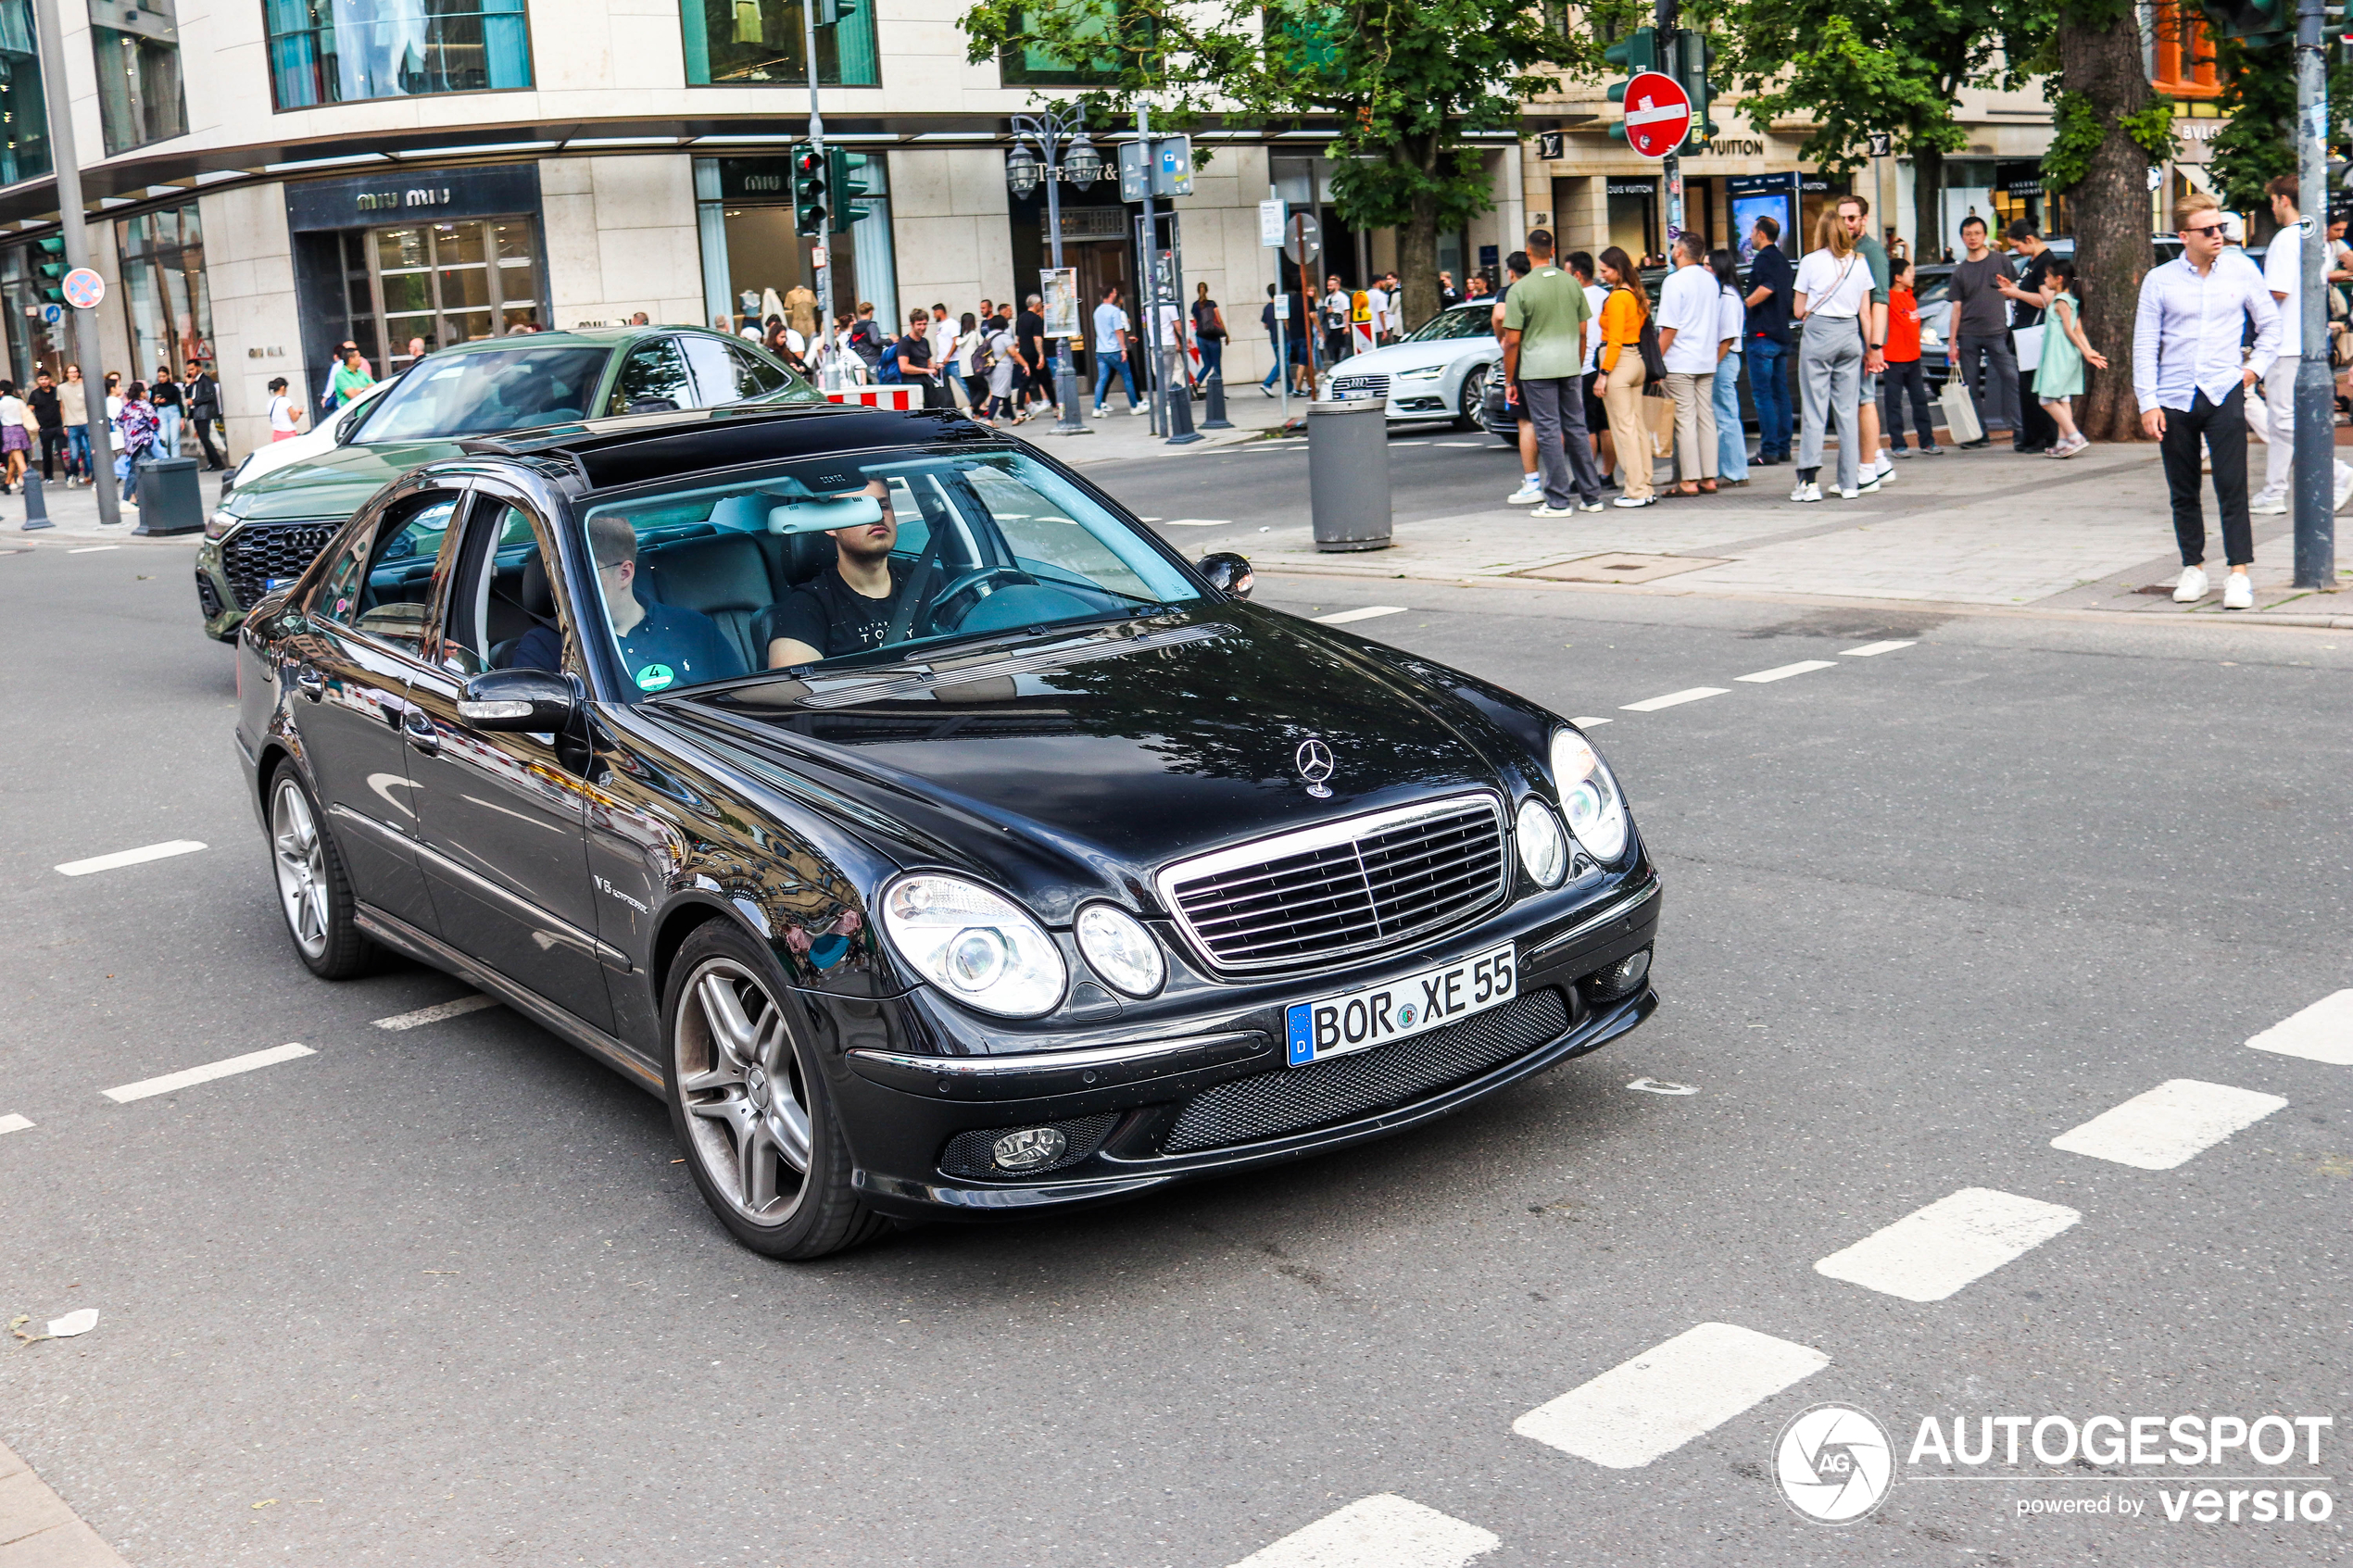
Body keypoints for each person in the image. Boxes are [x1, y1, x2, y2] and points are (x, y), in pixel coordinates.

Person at [2135, 193, 2279, 609]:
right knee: (2183, 488)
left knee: (2232, 485)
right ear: (2185, 236)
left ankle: (2239, 574)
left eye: (2221, 228)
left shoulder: (2240, 270)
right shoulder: (2159, 280)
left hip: (2224, 389)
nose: (2218, 235)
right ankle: (2193, 568)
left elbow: (2270, 324)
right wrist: (2148, 402)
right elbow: (2144, 346)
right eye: (2208, 230)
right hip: (2174, 395)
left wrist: (2253, 370)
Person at [510, 514, 744, 686]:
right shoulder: (544, 646)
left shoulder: (693, 628)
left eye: (580, 574)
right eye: (560, 576)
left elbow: (738, 704)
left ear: (624, 573)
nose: (567, 587)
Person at [2253, 175, 2353, 514]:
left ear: (2284, 200)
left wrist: (2248, 303)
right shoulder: (2314, 240)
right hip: (2306, 340)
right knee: (2283, 421)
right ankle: (2274, 491)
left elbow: (2277, 291)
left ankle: (2336, 474)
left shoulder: (2285, 239)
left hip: (2285, 341)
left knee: (2282, 421)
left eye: (2273, 202)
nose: (2273, 208)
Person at [1502, 230, 1604, 518]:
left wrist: (1510, 379)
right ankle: (1591, 495)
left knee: (1547, 430)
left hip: (1537, 368)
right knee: (1577, 428)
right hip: (1570, 365)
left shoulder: (1520, 290)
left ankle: (1558, 499)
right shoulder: (1572, 285)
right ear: (1553, 249)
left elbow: (1511, 340)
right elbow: (1584, 331)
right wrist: (1578, 360)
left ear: (1528, 251)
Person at [760, 481, 912, 666]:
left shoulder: (931, 582)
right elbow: (794, 690)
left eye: (883, 506)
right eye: (860, 506)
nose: (877, 516)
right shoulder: (806, 607)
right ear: (831, 526)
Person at [1791, 207, 1871, 502]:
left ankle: (1809, 484)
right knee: (1848, 410)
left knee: (1814, 409)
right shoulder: (1860, 263)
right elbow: (1865, 311)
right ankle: (1849, 482)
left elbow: (1799, 310)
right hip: (1850, 336)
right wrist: (1873, 347)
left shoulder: (1810, 262)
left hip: (1820, 335)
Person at [1655, 231, 1723, 496]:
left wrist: (1656, 362)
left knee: (1685, 420)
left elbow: (1668, 329)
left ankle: (1689, 481)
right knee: (1706, 417)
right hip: (1706, 359)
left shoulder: (1674, 281)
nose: (1672, 251)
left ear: (1680, 252)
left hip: (1681, 360)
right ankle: (1709, 477)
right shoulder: (1711, 281)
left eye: (1673, 247)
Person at [1838, 195, 1896, 487]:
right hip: (1854, 338)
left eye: (1852, 218)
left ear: (1863, 219)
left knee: (1864, 401)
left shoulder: (1871, 252)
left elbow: (1880, 302)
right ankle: (1879, 463)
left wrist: (1875, 346)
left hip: (1864, 340)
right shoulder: (1850, 249)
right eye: (1842, 218)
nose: (1847, 223)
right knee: (1858, 401)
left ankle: (1867, 471)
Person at [1592, 246, 1656, 508]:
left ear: (1617, 270)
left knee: (1623, 430)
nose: (1602, 275)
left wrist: (1603, 374)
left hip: (1618, 362)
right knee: (1637, 428)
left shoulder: (1618, 298)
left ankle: (1636, 490)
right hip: (1636, 361)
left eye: (1605, 271)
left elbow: (1614, 339)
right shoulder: (1635, 293)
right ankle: (1645, 485)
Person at [1948, 216, 2019, 448]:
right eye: (1968, 234)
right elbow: (1956, 308)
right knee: (1970, 386)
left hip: (1998, 332)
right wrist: (1952, 343)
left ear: (1985, 235)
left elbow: (2015, 292)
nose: (1972, 238)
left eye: (1977, 233)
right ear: (1962, 237)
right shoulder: (1960, 272)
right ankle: (1977, 434)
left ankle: (2020, 429)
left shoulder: (2001, 260)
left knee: (2013, 379)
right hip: (1968, 334)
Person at [2032, 258, 2108, 458]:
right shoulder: (2070, 300)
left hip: (2059, 355)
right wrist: (2088, 351)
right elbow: (2079, 330)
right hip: (2066, 355)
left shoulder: (2061, 301)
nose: (2045, 280)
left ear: (2058, 279)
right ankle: (2063, 441)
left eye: (2047, 276)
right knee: (2063, 397)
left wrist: (2086, 352)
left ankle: (2074, 436)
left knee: (2046, 399)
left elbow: (2069, 330)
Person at [1994, 220, 2059, 454]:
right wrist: (2012, 288)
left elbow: (2046, 300)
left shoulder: (2045, 263)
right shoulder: (2032, 262)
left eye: (2017, 246)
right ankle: (2032, 436)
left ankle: (2043, 436)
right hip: (2025, 331)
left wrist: (2016, 293)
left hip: (2036, 331)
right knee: (2026, 386)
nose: (2016, 251)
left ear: (2029, 240)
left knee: (2034, 386)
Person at [1744, 215, 1794, 465]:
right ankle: (1784, 447)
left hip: (1762, 334)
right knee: (1780, 393)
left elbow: (1768, 287)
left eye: (1753, 231)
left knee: (1763, 395)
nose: (1750, 235)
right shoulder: (1783, 260)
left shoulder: (1763, 259)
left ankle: (1769, 450)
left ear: (1762, 234)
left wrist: (1746, 304)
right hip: (1782, 333)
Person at [1881, 258, 1939, 458]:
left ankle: (1927, 441)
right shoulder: (1888, 298)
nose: (1912, 274)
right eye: (1908, 272)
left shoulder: (1909, 295)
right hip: (1893, 359)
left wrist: (1906, 251)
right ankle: (1898, 444)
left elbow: (1910, 268)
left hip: (1913, 358)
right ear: (1898, 277)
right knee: (1894, 403)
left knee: (1920, 401)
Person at [1568, 250, 1616, 486]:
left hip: (1585, 367)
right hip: (1607, 364)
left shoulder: (1574, 298)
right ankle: (1607, 474)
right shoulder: (1606, 295)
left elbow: (1579, 334)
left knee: (1588, 426)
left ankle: (1585, 478)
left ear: (1577, 275)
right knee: (1606, 425)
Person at [1708, 248, 1749, 485]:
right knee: (1722, 415)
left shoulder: (1728, 297)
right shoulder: (1721, 294)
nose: (1704, 269)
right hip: (1722, 359)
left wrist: (1713, 363)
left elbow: (1728, 337)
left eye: (1707, 264)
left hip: (1724, 360)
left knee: (1726, 416)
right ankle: (1728, 468)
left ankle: (1735, 471)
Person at [1091, 283, 1139, 416]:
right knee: (1127, 377)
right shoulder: (1115, 311)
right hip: (1114, 350)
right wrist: (1123, 348)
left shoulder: (1097, 311)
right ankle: (1134, 406)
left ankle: (1097, 408)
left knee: (1102, 379)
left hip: (1101, 350)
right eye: (1115, 292)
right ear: (1111, 294)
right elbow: (1118, 331)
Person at [893, 310, 950, 409]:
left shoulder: (924, 342)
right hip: (912, 385)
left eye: (924, 324)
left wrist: (936, 366)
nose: (922, 328)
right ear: (911, 324)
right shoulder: (904, 342)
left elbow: (928, 363)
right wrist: (927, 370)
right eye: (919, 324)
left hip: (927, 385)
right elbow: (904, 367)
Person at [113, 381, 157, 501]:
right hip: (142, 441)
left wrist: (130, 427)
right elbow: (155, 424)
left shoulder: (127, 407)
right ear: (142, 393)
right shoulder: (145, 407)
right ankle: (128, 498)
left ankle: (135, 497)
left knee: (137, 469)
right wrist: (144, 425)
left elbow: (119, 421)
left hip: (130, 443)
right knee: (139, 471)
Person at [184, 361, 224, 469]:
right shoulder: (194, 382)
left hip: (204, 413)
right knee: (203, 439)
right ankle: (212, 463)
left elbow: (210, 396)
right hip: (197, 413)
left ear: (198, 368)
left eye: (192, 369)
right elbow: (188, 395)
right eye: (188, 370)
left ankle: (218, 463)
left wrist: (195, 401)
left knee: (205, 438)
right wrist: (188, 384)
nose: (190, 372)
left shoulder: (205, 380)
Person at [28, 370, 64, 483]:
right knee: (47, 453)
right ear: (38, 381)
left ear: (50, 379)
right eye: (41, 379)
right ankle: (48, 476)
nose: (44, 381)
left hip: (58, 425)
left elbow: (62, 406)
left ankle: (70, 474)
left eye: (46, 379)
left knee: (63, 450)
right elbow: (29, 410)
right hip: (44, 427)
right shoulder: (35, 394)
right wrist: (34, 424)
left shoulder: (56, 391)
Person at [1191, 282, 1227, 390]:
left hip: (1201, 337)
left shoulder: (1195, 306)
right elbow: (1219, 320)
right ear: (1207, 290)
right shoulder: (1212, 304)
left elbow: (1196, 323)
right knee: (1216, 365)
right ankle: (1218, 391)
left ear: (1198, 291)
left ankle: (1197, 383)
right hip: (1213, 337)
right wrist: (1225, 333)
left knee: (1207, 364)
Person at [61, 365, 90, 483]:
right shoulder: (61, 388)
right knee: (74, 454)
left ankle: (89, 476)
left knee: (89, 452)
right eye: (70, 372)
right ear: (66, 374)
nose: (73, 374)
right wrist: (64, 425)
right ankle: (74, 474)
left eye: (75, 372)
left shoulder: (84, 386)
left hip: (86, 422)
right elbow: (62, 407)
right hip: (72, 424)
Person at [149, 365, 184, 458]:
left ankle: (176, 461)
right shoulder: (155, 388)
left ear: (168, 376)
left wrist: (182, 418)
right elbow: (151, 403)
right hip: (161, 411)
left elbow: (180, 403)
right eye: (159, 376)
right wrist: (155, 401)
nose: (161, 379)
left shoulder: (174, 388)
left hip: (174, 411)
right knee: (163, 438)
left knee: (174, 439)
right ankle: (164, 460)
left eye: (163, 376)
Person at [329, 345, 374, 409]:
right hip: (353, 416)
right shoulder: (341, 375)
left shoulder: (361, 372)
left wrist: (359, 390)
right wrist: (366, 389)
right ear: (351, 360)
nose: (361, 360)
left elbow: (374, 386)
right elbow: (353, 395)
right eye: (358, 357)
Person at [0, 381, 25, 492]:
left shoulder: (2, 403)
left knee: (18, 458)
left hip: (9, 431)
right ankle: (7, 482)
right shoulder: (19, 401)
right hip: (21, 429)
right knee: (12, 458)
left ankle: (27, 481)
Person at [267, 376, 301, 442]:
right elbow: (294, 418)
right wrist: (299, 412)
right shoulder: (285, 400)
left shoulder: (270, 402)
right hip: (288, 434)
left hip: (276, 434)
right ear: (282, 388)